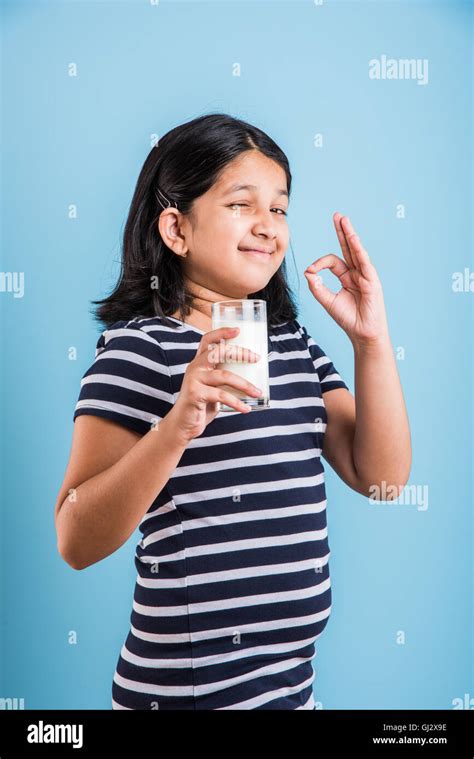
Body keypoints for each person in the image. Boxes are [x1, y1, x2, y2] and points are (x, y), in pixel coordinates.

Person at [54, 113, 411, 710]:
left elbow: (383, 480)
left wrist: (371, 342)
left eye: (279, 208)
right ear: (176, 228)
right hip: (184, 695)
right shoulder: (141, 349)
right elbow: (75, 539)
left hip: (292, 689)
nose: (267, 226)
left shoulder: (294, 345)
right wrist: (178, 426)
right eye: (241, 204)